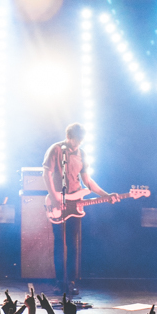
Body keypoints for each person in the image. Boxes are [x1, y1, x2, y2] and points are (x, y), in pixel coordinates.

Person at [43, 123, 116, 295]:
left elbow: (88, 181)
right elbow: (46, 174)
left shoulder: (82, 154)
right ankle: (60, 282)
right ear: (68, 137)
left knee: (72, 244)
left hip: (76, 202)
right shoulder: (56, 150)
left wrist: (105, 195)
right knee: (59, 244)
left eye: (81, 141)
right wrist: (54, 198)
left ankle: (72, 282)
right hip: (58, 202)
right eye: (76, 140)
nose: (78, 144)